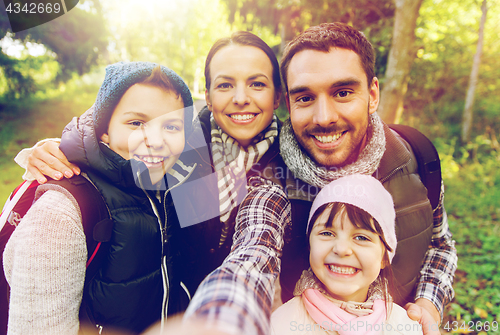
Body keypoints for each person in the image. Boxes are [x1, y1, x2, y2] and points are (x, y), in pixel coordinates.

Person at [10, 32, 289, 335]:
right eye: (224, 84)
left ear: (278, 96)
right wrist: (55, 151)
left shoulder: (297, 160)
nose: (240, 97)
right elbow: (115, 138)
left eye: (257, 83)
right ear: (207, 96)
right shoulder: (190, 146)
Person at [3, 61, 198, 334]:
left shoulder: (165, 189)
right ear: (104, 128)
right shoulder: (61, 214)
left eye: (172, 127)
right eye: (136, 122)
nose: (156, 140)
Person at [270, 174, 422, 335]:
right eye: (327, 233)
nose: (341, 249)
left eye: (361, 237)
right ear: (310, 245)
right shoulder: (280, 325)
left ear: (385, 257)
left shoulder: (405, 327)